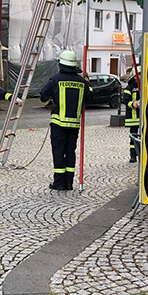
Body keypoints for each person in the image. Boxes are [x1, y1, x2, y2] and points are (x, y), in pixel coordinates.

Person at [39, 50, 93, 190]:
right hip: (74, 124)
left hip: (58, 124)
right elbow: (90, 96)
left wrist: (50, 105)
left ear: (61, 64)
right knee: (70, 152)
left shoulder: (55, 79)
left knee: (58, 152)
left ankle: (58, 183)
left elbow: (43, 94)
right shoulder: (82, 82)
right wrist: (88, 82)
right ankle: (69, 183)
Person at [123, 69, 140, 163]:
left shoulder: (144, 86)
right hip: (133, 118)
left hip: (143, 118)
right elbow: (125, 101)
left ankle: (142, 154)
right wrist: (135, 104)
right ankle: (133, 155)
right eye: (139, 74)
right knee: (133, 137)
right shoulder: (129, 88)